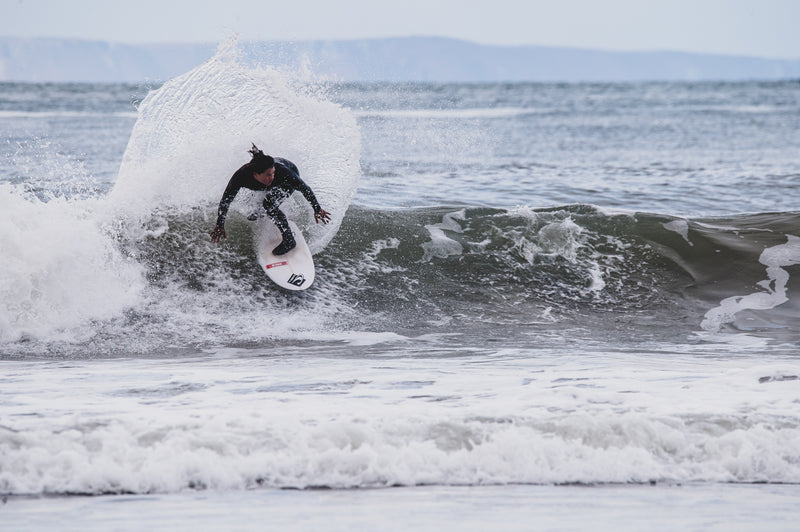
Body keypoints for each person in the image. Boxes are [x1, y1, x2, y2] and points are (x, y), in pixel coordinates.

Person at [210, 144, 331, 255]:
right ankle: (261, 213)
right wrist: (220, 224)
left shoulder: (282, 173)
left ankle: (289, 240)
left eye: (273, 173)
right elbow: (226, 200)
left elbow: (305, 188)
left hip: (290, 172)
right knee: (255, 206)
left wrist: (317, 209)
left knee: (269, 205)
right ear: (255, 174)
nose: (272, 177)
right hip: (264, 174)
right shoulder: (241, 177)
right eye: (268, 175)